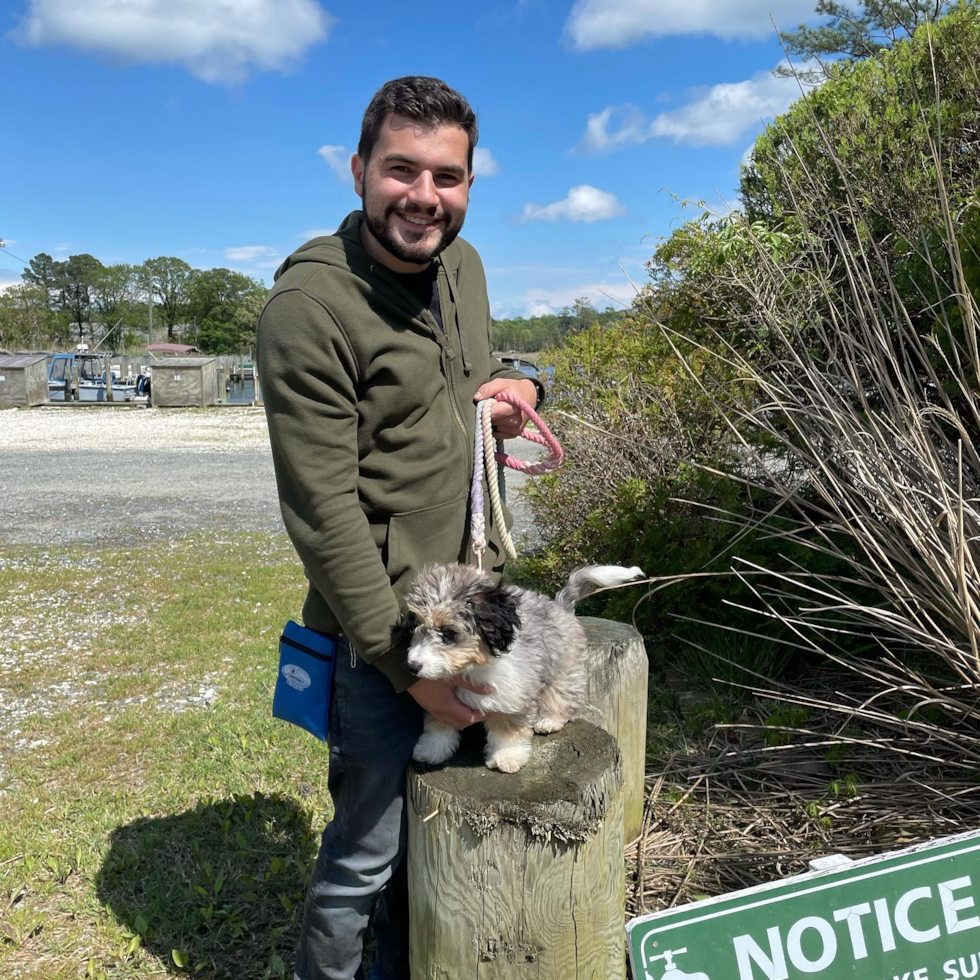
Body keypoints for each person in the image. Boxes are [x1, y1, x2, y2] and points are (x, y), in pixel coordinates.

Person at [256, 76, 542, 980]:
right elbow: (321, 511)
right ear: (358, 171)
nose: (425, 197)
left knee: (440, 831)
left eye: (448, 177)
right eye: (401, 170)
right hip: (381, 631)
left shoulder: (464, 265)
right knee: (366, 857)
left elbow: (477, 374)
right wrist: (403, 669)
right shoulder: (309, 310)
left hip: (470, 613)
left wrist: (524, 387)